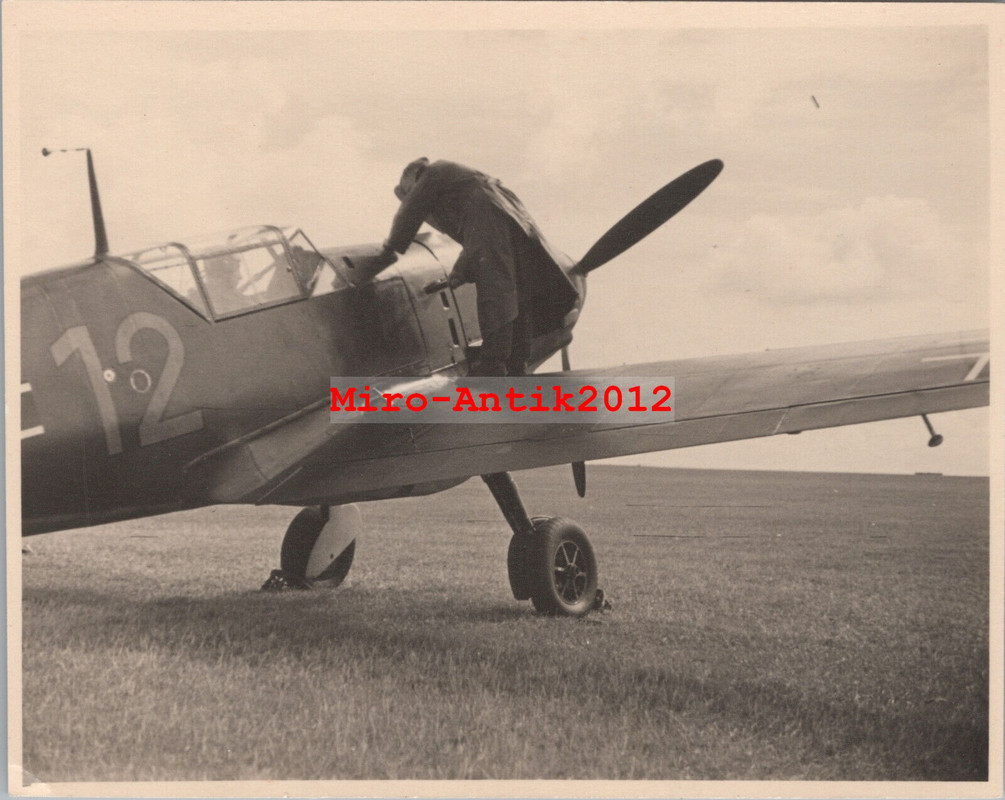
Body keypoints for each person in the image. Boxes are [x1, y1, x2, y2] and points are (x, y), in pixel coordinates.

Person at [379, 158, 578, 376]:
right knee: (519, 295)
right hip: (514, 221)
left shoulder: (431, 174)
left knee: (494, 292)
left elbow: (412, 210)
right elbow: (476, 238)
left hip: (492, 220)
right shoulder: (462, 183)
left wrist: (390, 248)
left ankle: (493, 363)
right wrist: (460, 272)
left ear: (414, 182)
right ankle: (516, 359)